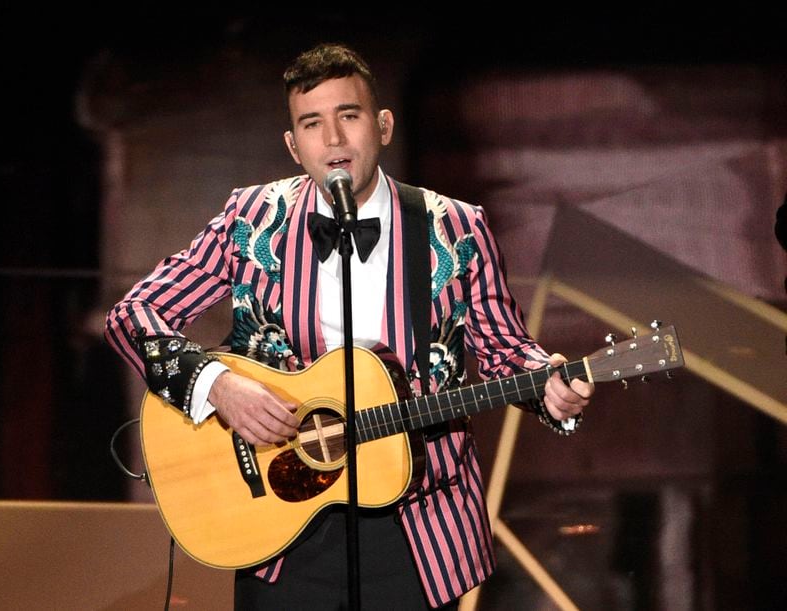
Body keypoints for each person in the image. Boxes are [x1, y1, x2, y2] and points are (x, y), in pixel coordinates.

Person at [105, 43, 594, 610]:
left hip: (420, 523)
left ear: (383, 126)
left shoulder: (456, 228)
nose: (333, 140)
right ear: (293, 145)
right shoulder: (250, 218)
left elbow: (508, 350)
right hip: (277, 520)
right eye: (312, 124)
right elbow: (134, 315)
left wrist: (550, 384)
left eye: (349, 116)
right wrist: (216, 386)